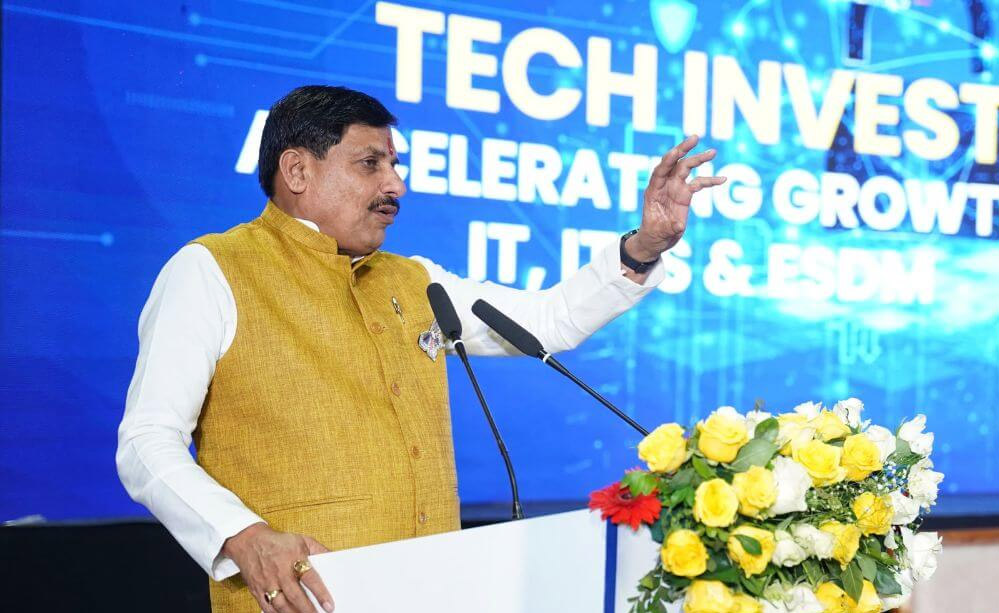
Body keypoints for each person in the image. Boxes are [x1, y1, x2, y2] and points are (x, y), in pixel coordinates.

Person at [116, 85, 725, 613]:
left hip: (434, 592)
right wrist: (243, 537)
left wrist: (644, 246)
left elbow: (549, 321)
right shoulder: (211, 270)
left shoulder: (414, 280)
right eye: (370, 164)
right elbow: (146, 440)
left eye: (395, 164)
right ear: (297, 171)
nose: (396, 185)